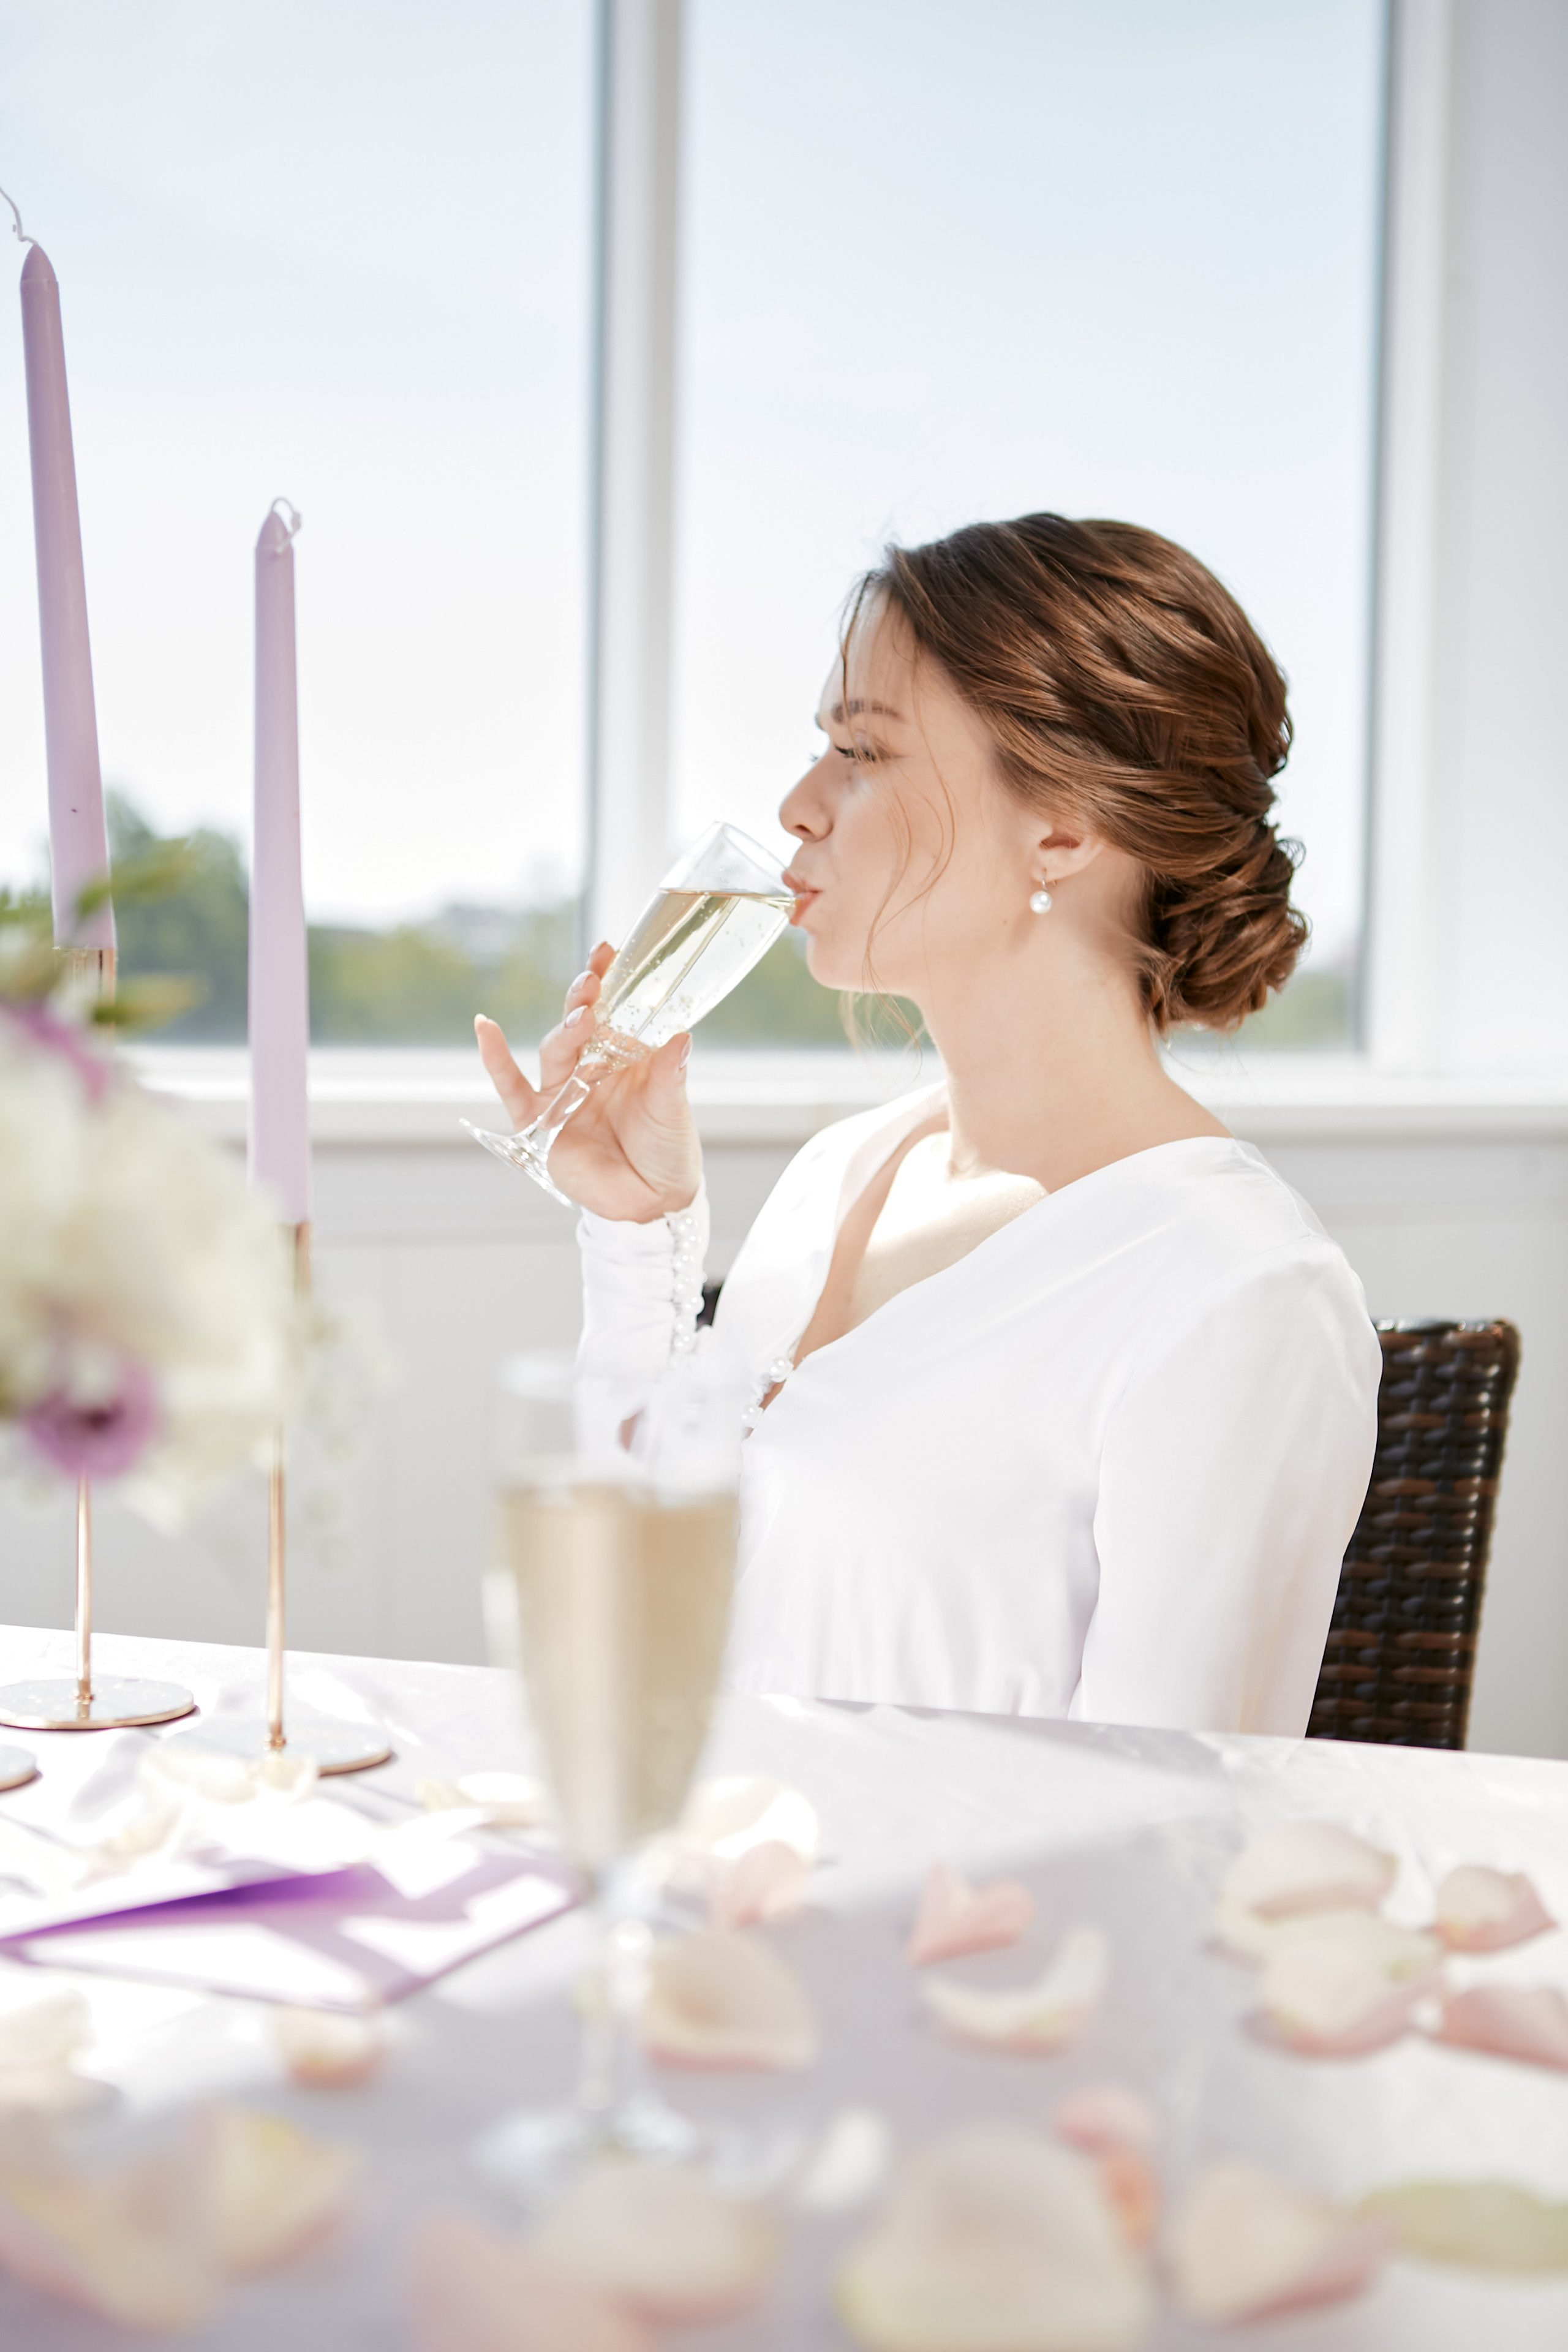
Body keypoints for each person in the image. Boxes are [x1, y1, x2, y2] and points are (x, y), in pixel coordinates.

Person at [476, 514, 1381, 1735]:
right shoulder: (838, 1174)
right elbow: (632, 1621)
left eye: (862, 749)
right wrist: (637, 1237)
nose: (797, 804)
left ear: (1061, 827)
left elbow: (1163, 1817)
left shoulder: (1241, 1294)